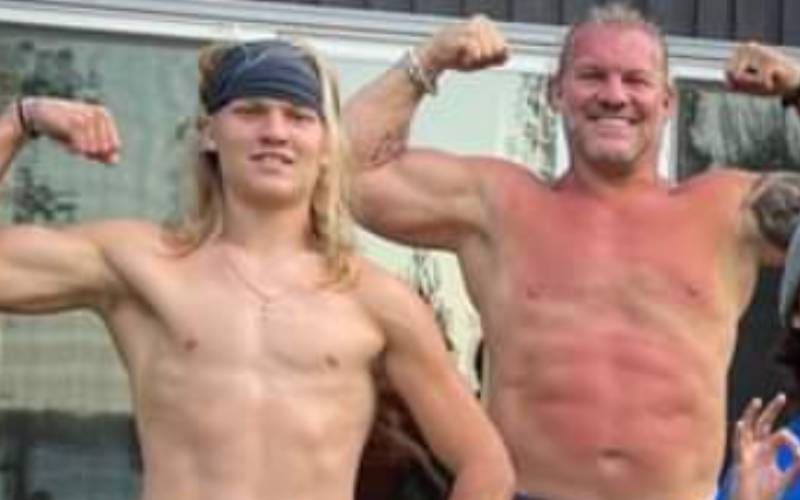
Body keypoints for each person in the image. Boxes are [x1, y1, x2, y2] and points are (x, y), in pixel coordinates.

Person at [0, 39, 514, 500]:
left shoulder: (377, 301)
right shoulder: (142, 267)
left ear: (326, 147)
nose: (275, 132)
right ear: (209, 134)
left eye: (298, 116)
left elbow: (485, 465)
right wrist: (21, 121)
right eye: (250, 112)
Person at [344, 3, 800, 499]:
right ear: (556, 93)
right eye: (592, 76)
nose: (615, 95)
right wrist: (430, 59)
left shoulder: (730, 211)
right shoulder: (497, 206)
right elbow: (349, 174)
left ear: (667, 101)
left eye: (636, 80)